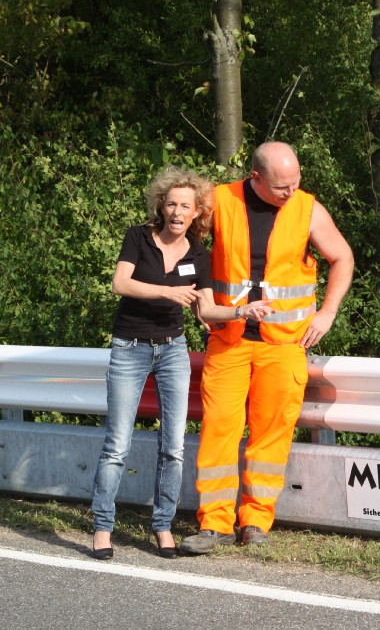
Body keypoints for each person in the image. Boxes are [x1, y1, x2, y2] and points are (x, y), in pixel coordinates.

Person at [180, 141, 354, 555]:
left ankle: (256, 520)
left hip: (284, 344)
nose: (291, 192)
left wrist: (327, 313)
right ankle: (214, 524)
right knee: (219, 430)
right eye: (281, 186)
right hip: (228, 340)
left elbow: (343, 258)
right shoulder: (219, 201)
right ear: (255, 177)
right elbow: (183, 247)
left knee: (271, 435)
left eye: (296, 182)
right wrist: (199, 299)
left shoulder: (308, 209)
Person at [91, 166, 273, 560]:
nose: (177, 212)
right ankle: (103, 527)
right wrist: (167, 292)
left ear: (196, 213)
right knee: (117, 445)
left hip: (172, 350)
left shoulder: (197, 254)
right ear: (161, 206)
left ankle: (162, 526)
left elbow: (205, 309)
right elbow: (120, 283)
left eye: (185, 206)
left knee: (173, 447)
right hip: (129, 347)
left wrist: (243, 311)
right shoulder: (138, 237)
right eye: (172, 204)